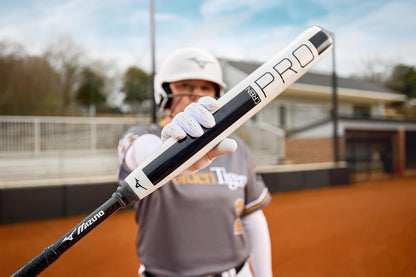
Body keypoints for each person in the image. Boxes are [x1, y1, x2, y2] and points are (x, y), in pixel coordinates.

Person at [117, 48, 273, 277]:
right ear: (164, 91)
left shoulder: (234, 147)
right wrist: (165, 153)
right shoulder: (142, 135)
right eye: (185, 86)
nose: (195, 95)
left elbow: (252, 217)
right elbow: (137, 151)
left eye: (205, 88)